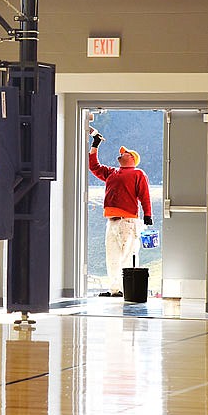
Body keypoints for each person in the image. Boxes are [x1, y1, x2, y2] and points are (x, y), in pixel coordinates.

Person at [89, 127, 152, 297]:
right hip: (112, 221)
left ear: (131, 158)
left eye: (124, 153)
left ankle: (128, 288)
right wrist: (95, 145)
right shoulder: (111, 172)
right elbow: (93, 166)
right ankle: (115, 289)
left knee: (128, 255)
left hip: (128, 221)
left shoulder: (138, 173)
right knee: (112, 256)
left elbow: (144, 195)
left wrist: (148, 215)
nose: (121, 154)